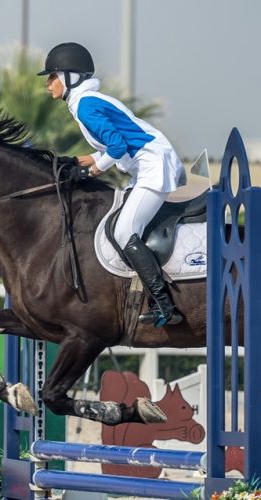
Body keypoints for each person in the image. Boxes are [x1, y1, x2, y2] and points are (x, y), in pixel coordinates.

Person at [38, 42, 186, 327]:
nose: (48, 84)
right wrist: (76, 161)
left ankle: (165, 306)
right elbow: (112, 146)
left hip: (152, 169)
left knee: (123, 232)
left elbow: (117, 147)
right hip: (144, 167)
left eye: (52, 76)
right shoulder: (85, 102)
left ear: (70, 77)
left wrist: (92, 171)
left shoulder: (85, 106)